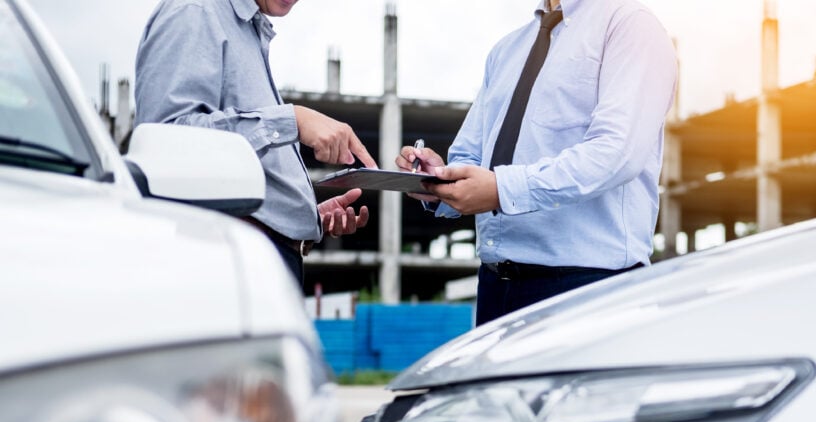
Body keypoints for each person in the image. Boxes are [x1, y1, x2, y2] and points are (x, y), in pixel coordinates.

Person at [396, 0, 677, 325]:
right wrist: (437, 180)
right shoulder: (505, 51)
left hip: (588, 287)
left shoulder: (630, 25)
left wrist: (501, 190)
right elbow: (471, 156)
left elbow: (616, 153)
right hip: (495, 288)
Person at [135, 0, 376, 286]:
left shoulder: (245, 29)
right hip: (228, 264)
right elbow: (165, 141)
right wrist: (291, 120)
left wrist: (299, 217)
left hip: (259, 258)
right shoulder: (195, 10)